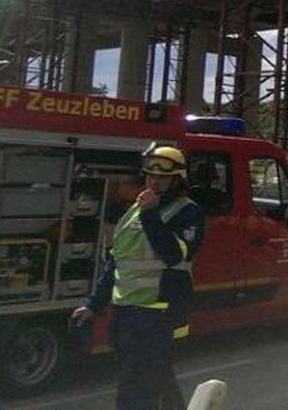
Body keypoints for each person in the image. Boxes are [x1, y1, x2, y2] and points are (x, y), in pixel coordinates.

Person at [72, 144, 204, 410]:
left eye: (162, 178)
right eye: (150, 176)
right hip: (126, 314)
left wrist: (151, 215)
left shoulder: (187, 213)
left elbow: (173, 255)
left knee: (137, 385)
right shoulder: (135, 210)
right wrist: (93, 304)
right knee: (153, 380)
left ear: (177, 180)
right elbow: (117, 263)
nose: (154, 182)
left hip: (158, 314)